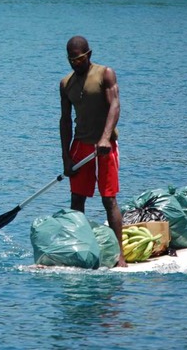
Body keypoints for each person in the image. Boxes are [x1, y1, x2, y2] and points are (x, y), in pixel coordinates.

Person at [59, 35, 127, 268]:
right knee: (77, 200)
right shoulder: (65, 83)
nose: (74, 63)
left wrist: (106, 138)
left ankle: (120, 255)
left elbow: (115, 105)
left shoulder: (105, 74)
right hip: (80, 146)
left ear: (88, 55)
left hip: (105, 148)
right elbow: (65, 121)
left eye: (78, 59)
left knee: (109, 199)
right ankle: (79, 251)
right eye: (70, 60)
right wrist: (66, 157)